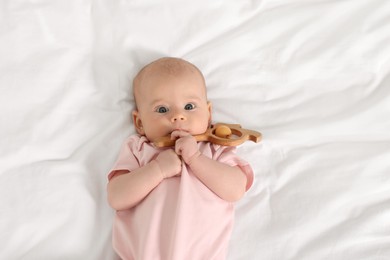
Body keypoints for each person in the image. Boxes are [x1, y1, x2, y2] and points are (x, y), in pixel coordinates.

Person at [107, 57, 254, 260]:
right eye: (162, 109)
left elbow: (236, 189)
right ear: (139, 123)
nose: (178, 116)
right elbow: (117, 197)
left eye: (189, 106)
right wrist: (157, 169)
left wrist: (196, 158)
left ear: (208, 113)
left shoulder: (215, 147)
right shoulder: (139, 148)